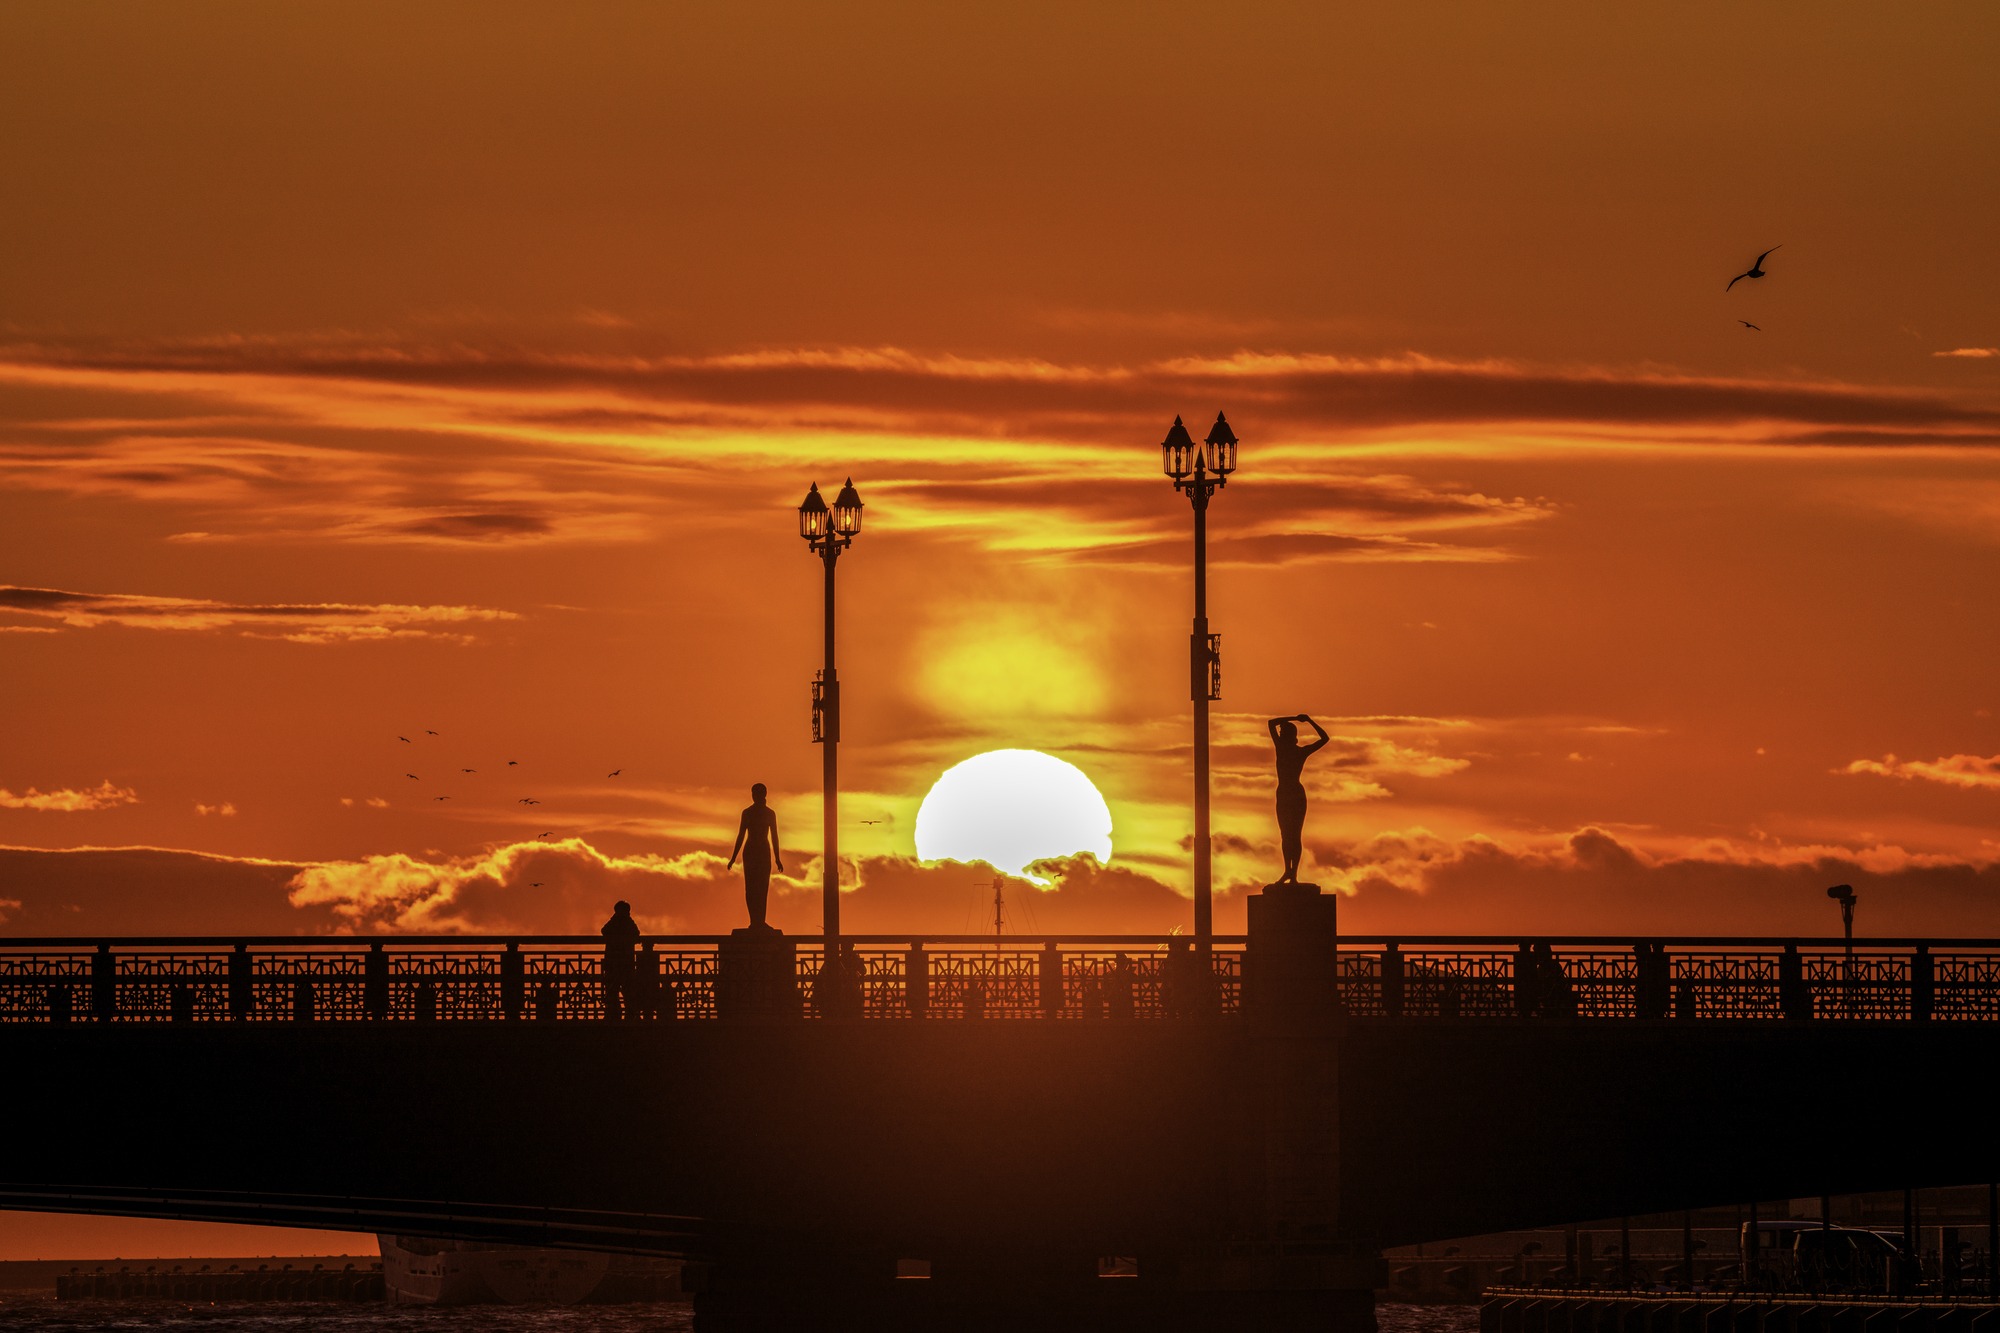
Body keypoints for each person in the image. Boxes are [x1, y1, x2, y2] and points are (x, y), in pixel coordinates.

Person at [1267, 714, 1330, 884]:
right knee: (1285, 835)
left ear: (1288, 735)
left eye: (1282, 732)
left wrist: (1307, 720)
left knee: (1295, 835)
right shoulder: (1282, 747)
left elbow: (1325, 738)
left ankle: (1293, 873)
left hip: (1294, 793)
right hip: (1283, 793)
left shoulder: (1297, 751)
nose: (1279, 734)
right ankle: (1288, 870)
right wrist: (1298, 717)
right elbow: (1271, 723)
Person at [726, 783, 784, 930]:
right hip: (750, 851)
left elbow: (775, 836)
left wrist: (777, 858)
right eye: (753, 793)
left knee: (762, 887)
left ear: (764, 794)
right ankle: (754, 921)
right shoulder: (747, 813)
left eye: (757, 793)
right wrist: (733, 857)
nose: (755, 796)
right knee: (751, 887)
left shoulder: (770, 814)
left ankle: (760, 921)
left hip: (764, 851)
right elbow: (741, 835)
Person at [600, 899, 641, 1021]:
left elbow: (604, 931)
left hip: (613, 961)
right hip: (626, 962)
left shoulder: (615, 922)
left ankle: (613, 1013)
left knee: (613, 989)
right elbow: (636, 934)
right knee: (627, 989)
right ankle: (629, 1014)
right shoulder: (628, 923)